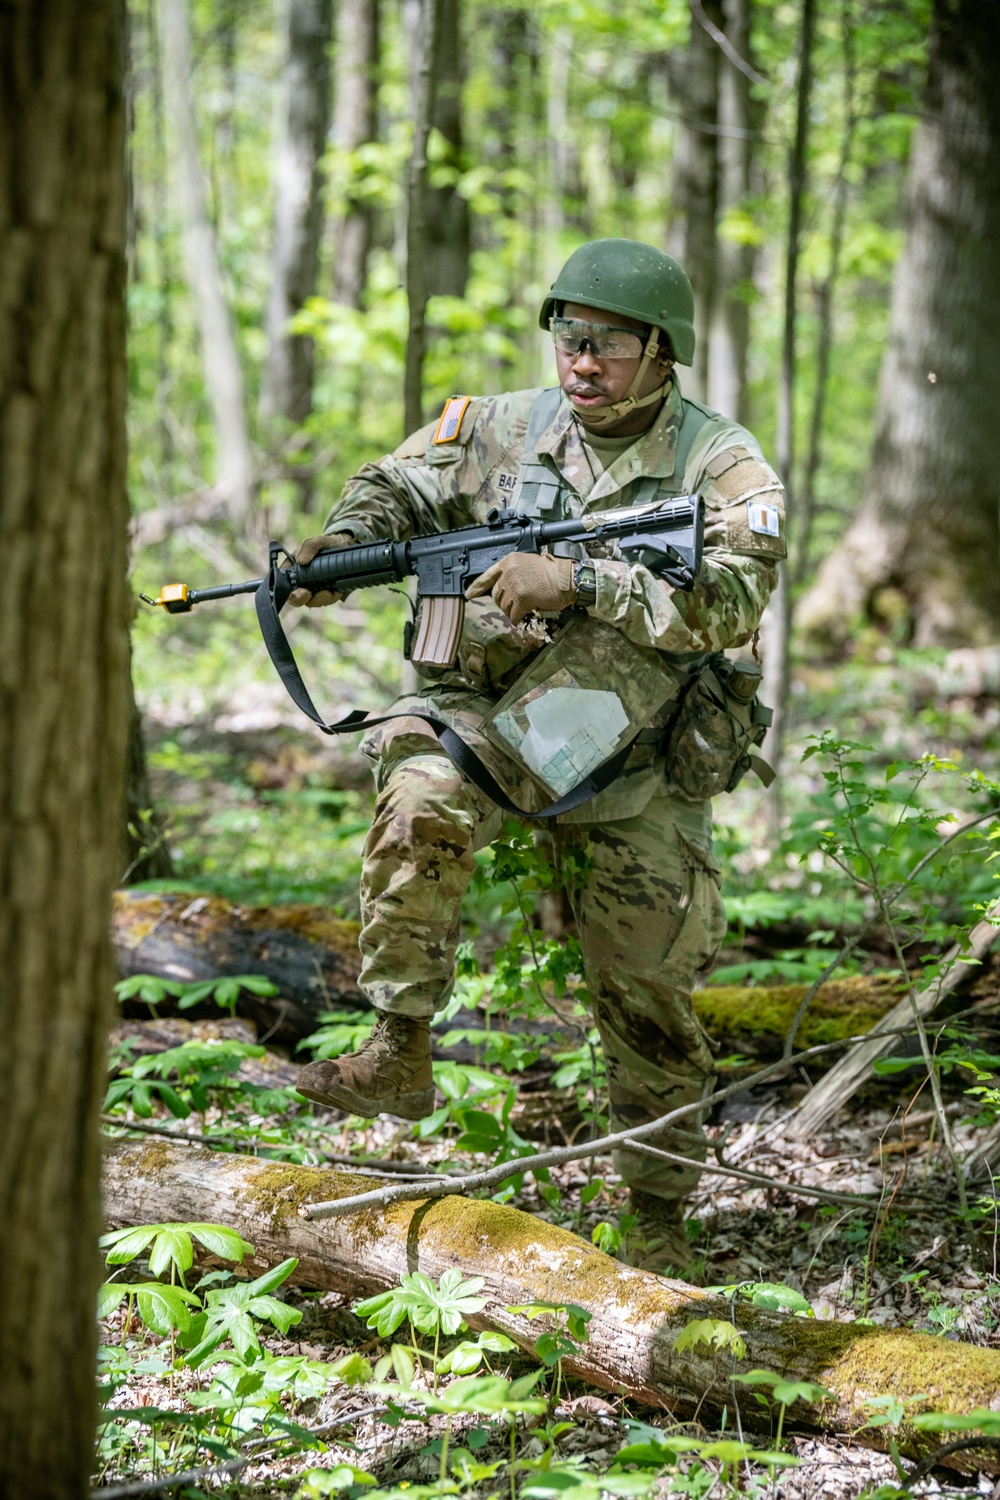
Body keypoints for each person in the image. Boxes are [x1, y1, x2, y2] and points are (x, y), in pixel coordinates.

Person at [292, 238, 786, 1273]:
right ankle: (399, 1042)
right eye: (569, 338)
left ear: (663, 352)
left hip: (637, 759)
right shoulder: (504, 427)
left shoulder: (721, 463)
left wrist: (582, 586)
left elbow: (736, 596)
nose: (582, 362)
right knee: (417, 782)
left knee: (645, 1002)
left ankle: (656, 1224)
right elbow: (395, 484)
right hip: (490, 723)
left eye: (606, 344)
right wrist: (344, 547)